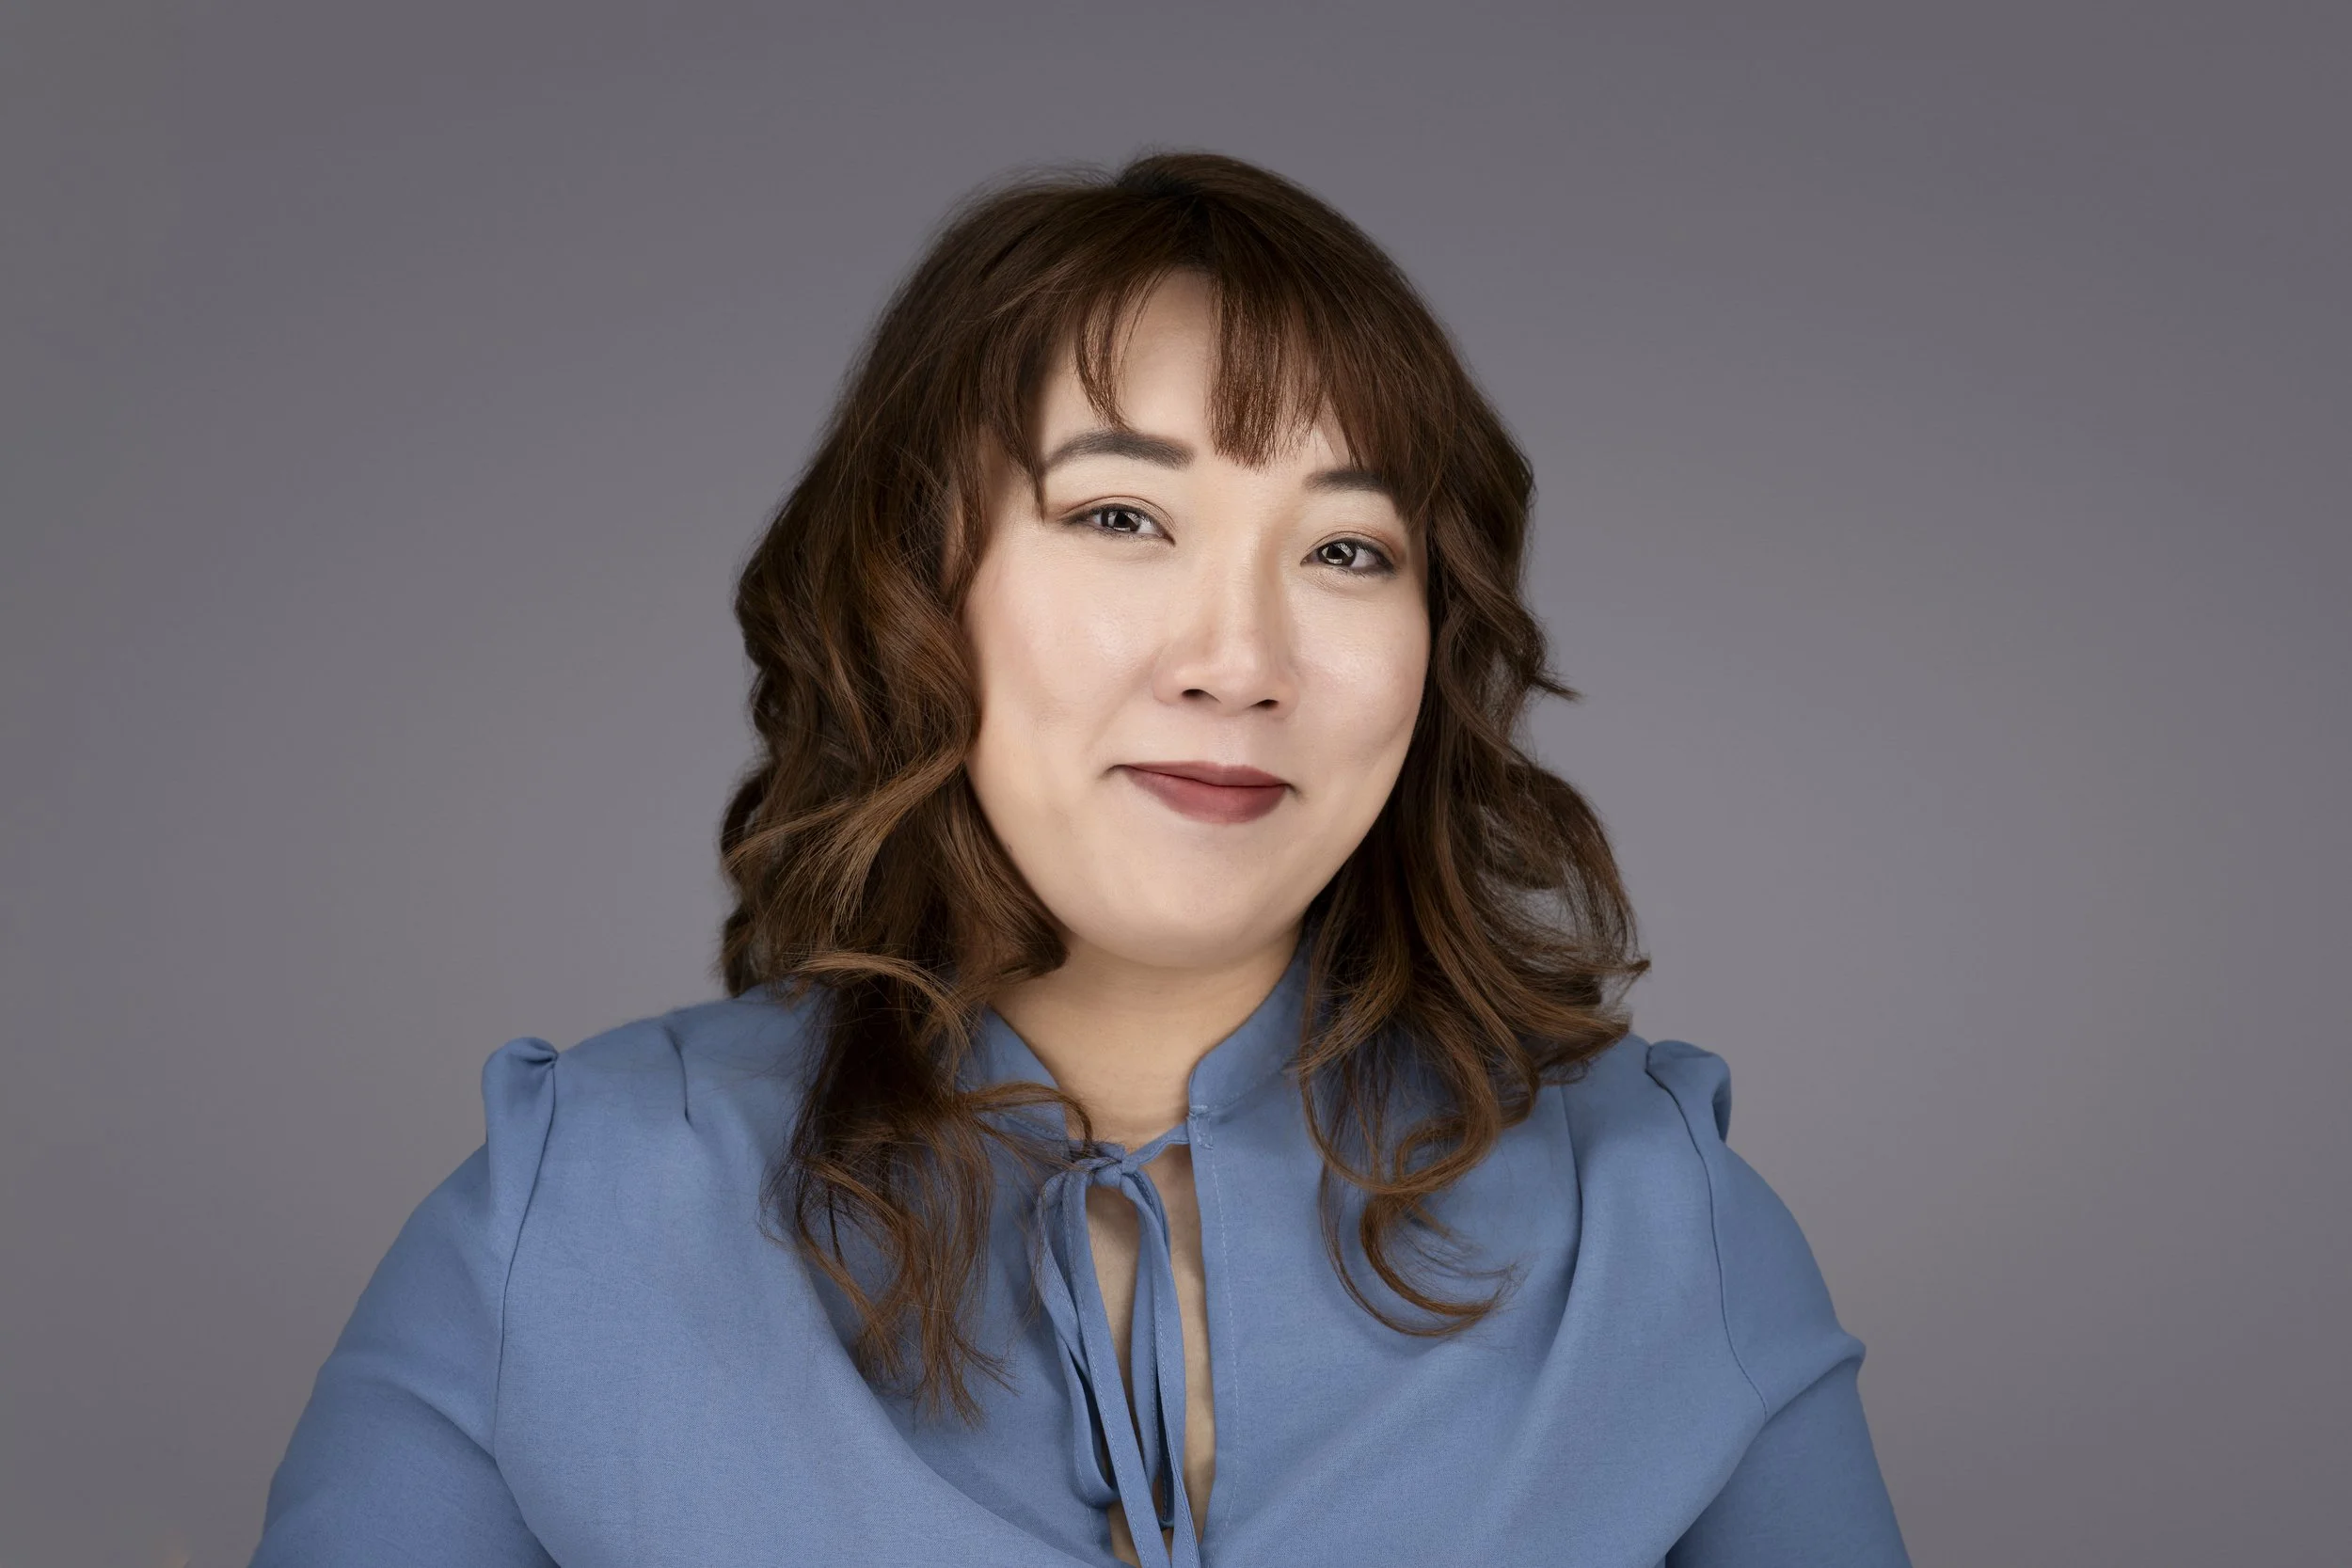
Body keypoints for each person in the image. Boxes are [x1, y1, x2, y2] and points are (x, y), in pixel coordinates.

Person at [248, 150, 1910, 1568]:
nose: (1238, 660)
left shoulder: (1657, 1222)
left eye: (1347, 549)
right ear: (919, 585)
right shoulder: (574, 1208)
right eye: (1123, 517)